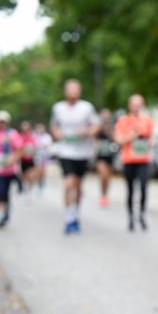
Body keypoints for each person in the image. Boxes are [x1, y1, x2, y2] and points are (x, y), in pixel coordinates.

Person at [50, 79, 100, 234]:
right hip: (65, 152)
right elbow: (54, 126)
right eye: (69, 89)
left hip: (83, 152)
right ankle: (68, 218)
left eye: (75, 89)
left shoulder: (86, 107)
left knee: (78, 188)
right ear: (65, 91)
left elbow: (96, 126)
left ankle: (75, 213)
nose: (72, 92)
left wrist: (85, 132)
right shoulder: (58, 108)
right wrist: (58, 134)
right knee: (68, 184)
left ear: (79, 91)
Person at [114, 93, 154, 231]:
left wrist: (150, 143)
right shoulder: (123, 120)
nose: (136, 107)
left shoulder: (147, 120)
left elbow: (150, 138)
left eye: (139, 104)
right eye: (134, 104)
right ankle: (130, 217)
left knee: (143, 188)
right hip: (129, 160)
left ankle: (142, 214)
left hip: (143, 159)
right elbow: (119, 140)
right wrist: (132, 136)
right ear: (130, 105)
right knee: (131, 190)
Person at [95, 108, 119, 208]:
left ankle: (105, 195)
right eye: (103, 116)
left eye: (107, 116)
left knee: (108, 178)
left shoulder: (112, 127)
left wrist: (108, 130)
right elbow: (93, 137)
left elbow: (115, 139)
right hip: (100, 155)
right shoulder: (97, 127)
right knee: (103, 175)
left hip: (110, 155)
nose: (105, 118)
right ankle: (102, 195)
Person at [18, 120, 39, 196]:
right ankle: (25, 187)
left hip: (30, 159)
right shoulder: (20, 136)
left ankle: (30, 190)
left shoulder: (32, 137)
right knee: (23, 175)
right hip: (22, 159)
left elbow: (35, 147)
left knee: (31, 175)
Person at [34, 122, 53, 194]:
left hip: (45, 156)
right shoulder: (34, 136)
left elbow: (49, 145)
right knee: (37, 170)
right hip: (36, 156)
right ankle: (38, 183)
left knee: (43, 171)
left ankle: (41, 183)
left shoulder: (47, 136)